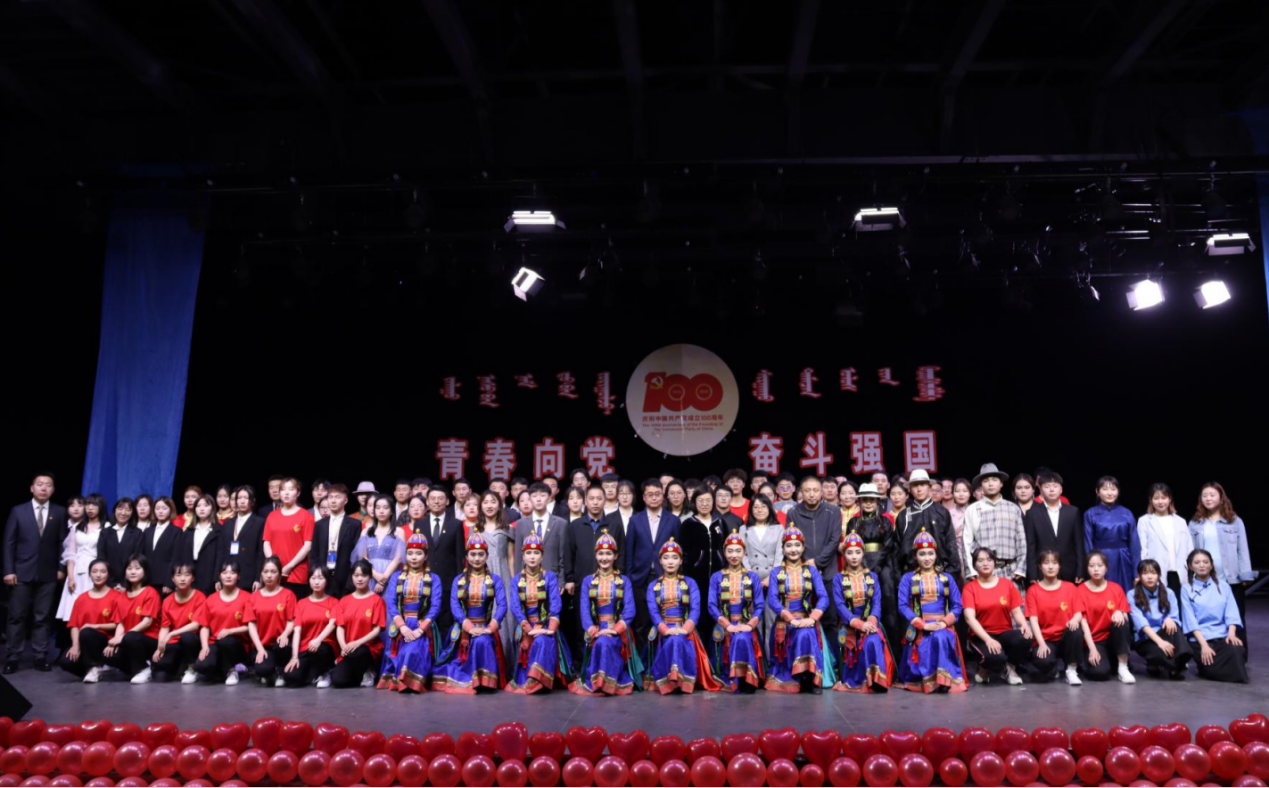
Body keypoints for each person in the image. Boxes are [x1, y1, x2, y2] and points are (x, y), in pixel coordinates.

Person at [433, 531, 507, 693]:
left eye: (481, 554)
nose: (477, 558)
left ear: (487, 556)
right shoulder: (458, 580)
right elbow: (455, 606)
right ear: (467, 556)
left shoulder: (495, 580)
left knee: (483, 641)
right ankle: (470, 679)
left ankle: (485, 681)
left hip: (486, 627)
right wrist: (469, 627)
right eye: (473, 554)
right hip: (463, 630)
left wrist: (491, 627)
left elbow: (502, 605)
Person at [644, 538, 720, 694]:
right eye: (666, 558)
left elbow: (695, 609)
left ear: (680, 561)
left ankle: (681, 681)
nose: (670, 561)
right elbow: (653, 612)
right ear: (660, 561)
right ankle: (670, 681)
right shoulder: (653, 586)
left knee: (678, 639)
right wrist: (665, 629)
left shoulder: (690, 583)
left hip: (685, 629)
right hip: (663, 629)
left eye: (675, 557)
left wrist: (685, 628)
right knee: (673, 639)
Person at [896, 529, 968, 693]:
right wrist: (922, 625)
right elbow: (903, 606)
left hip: (942, 625)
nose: (927, 558)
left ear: (936, 555)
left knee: (940, 636)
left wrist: (944, 622)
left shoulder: (947, 578)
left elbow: (957, 605)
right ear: (915, 556)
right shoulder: (908, 578)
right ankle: (934, 681)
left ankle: (943, 680)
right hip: (920, 627)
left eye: (930, 553)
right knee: (934, 637)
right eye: (922, 554)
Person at [570, 531, 642, 695]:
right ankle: (601, 682)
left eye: (608, 554)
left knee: (605, 642)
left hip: (617, 630)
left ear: (615, 556)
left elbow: (630, 610)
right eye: (601, 553)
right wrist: (593, 630)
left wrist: (614, 630)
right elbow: (584, 611)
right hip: (596, 630)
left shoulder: (624, 581)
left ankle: (606, 682)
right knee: (602, 641)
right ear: (596, 556)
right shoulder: (588, 581)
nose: (604, 558)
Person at [765, 526, 834, 694]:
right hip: (785, 622)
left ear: (803, 548)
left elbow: (823, 597)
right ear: (783, 549)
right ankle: (800, 677)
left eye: (797, 545)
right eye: (789, 545)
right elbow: (773, 599)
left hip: (806, 619)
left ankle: (809, 678)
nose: (793, 549)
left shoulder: (811, 571)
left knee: (806, 632)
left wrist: (812, 618)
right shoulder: (776, 572)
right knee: (803, 633)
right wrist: (791, 619)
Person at [562, 485, 624, 663]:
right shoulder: (575, 525)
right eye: (591, 499)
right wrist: (569, 579)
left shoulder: (614, 524)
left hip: (610, 584)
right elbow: (568, 554)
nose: (595, 502)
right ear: (585, 502)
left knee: (608, 624)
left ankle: (608, 662)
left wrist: (620, 577)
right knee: (581, 625)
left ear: (605, 501)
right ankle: (582, 665)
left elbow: (622, 553)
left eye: (599, 498)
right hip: (582, 584)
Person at [1188, 482, 1254, 646]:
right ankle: (1213, 652)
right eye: (1204, 496)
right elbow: (1190, 552)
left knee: (1236, 618)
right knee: (1210, 617)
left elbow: (1242, 549)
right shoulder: (1195, 523)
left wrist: (1246, 574)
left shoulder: (1234, 521)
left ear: (1221, 498)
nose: (1208, 498)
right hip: (1205, 579)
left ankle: (1239, 654)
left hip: (1231, 578)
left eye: (1212, 495)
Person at [507, 533, 573, 694]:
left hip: (545, 626)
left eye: (536, 553)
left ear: (542, 556)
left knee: (543, 640)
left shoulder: (550, 577)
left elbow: (555, 604)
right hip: (526, 627)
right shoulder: (516, 580)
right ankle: (533, 679)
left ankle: (537, 679)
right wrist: (528, 628)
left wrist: (549, 628)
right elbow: (515, 607)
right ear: (523, 556)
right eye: (528, 553)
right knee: (534, 639)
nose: (532, 557)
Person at [377, 532, 443, 693]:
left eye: (418, 553)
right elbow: (391, 603)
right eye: (410, 553)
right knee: (405, 650)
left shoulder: (434, 579)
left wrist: (420, 629)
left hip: (422, 626)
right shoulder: (396, 577)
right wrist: (402, 627)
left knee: (412, 651)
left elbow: (435, 606)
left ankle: (410, 682)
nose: (414, 557)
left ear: (426, 556)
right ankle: (403, 681)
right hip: (402, 626)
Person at [831, 531, 894, 693]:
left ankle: (876, 680)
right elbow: (840, 606)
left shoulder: (872, 577)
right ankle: (858, 680)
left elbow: (876, 603)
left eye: (857, 552)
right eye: (849, 552)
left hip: (870, 624)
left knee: (873, 640)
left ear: (863, 553)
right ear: (844, 554)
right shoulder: (838, 579)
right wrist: (859, 624)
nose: (854, 557)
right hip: (850, 625)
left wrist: (871, 622)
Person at [962, 547, 1033, 686]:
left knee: (1026, 637)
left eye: (989, 560)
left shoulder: (1007, 584)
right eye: (980, 560)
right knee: (995, 658)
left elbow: (1016, 611)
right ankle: (983, 668)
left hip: (1004, 633)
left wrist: (1024, 625)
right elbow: (969, 618)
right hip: (981, 636)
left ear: (994, 563)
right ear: (974, 565)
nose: (985, 563)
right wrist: (988, 639)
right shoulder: (970, 588)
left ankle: (1010, 667)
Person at [708, 530, 765, 693]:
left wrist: (750, 625)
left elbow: (760, 605)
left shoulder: (752, 577)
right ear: (724, 552)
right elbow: (711, 605)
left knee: (743, 637)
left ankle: (746, 679)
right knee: (737, 637)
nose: (734, 555)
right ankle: (734, 679)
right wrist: (727, 625)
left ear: (744, 552)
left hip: (745, 624)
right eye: (730, 551)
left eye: (738, 551)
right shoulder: (716, 577)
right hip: (724, 625)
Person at [844, 484, 900, 646]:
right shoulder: (853, 522)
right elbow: (850, 548)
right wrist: (864, 565)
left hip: (883, 564)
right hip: (859, 564)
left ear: (877, 502)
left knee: (887, 600)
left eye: (872, 500)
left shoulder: (885, 521)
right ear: (860, 502)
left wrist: (875, 566)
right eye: (865, 500)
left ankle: (891, 647)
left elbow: (888, 546)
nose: (868, 503)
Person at [1181, 548, 1248, 683]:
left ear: (1211, 565)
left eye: (1205, 562)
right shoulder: (1186, 588)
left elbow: (1231, 612)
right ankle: (1206, 668)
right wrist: (1204, 645)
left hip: (1222, 635)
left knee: (1236, 650)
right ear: (1190, 566)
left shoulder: (1223, 586)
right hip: (1200, 638)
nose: (1202, 565)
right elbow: (1190, 620)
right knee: (1212, 666)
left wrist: (1231, 634)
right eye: (1197, 562)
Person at [1025, 549, 1086, 685]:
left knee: (1076, 631)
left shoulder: (1070, 587)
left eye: (1054, 563)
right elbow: (1033, 620)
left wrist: (1074, 620)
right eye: (1046, 563)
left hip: (1065, 638)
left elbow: (1079, 612)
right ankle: (1052, 669)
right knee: (1043, 661)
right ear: (1040, 566)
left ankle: (1071, 670)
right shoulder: (1033, 591)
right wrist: (1041, 643)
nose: (1050, 567)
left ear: (1059, 566)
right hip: (1046, 639)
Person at [57, 559, 123, 683]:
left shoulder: (116, 596)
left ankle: (94, 667)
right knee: (66, 661)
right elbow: (74, 625)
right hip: (85, 641)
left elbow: (118, 624)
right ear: (90, 574)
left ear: (108, 574)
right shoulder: (81, 599)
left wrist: (95, 626)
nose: (98, 575)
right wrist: (75, 645)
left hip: (107, 642)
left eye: (102, 571)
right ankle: (94, 670)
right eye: (94, 571)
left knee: (87, 632)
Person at [963, 464, 1027, 584]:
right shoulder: (973, 509)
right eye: (986, 481)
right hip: (983, 571)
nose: (990, 484)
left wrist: (1021, 568)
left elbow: (1021, 541)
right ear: (981, 485)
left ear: (1001, 483)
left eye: (994, 480)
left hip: (1010, 571)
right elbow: (966, 542)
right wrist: (970, 570)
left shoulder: (1013, 508)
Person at [1077, 551, 1135, 683]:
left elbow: (1125, 618)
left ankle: (1123, 667)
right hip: (1094, 641)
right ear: (1087, 568)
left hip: (1113, 639)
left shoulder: (1116, 588)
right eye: (1092, 566)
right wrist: (1092, 649)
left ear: (1106, 568)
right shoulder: (1080, 590)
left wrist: (1120, 612)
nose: (1096, 569)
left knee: (1122, 622)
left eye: (1100, 565)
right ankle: (1109, 662)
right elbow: (1083, 623)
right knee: (1100, 673)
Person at [194, 562, 255, 685]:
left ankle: (233, 670)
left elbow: (251, 627)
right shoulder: (211, 599)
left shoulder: (247, 597)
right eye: (224, 573)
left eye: (232, 573)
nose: (228, 576)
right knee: (202, 666)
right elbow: (205, 626)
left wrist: (230, 631)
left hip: (237, 645)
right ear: (219, 576)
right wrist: (205, 646)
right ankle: (222, 669)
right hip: (215, 641)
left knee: (226, 641)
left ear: (238, 576)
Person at [1131, 558, 1193, 680]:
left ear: (1159, 575)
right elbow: (1141, 624)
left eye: (1153, 573)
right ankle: (1168, 665)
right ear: (1139, 576)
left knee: (1175, 629)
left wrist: (1170, 618)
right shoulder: (1132, 594)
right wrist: (1160, 642)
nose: (1150, 577)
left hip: (1166, 633)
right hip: (1146, 638)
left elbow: (1175, 615)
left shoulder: (1169, 592)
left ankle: (1174, 666)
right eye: (1145, 573)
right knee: (1159, 655)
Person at [895, 470, 962, 581]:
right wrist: (899, 578)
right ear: (910, 489)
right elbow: (897, 549)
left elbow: (951, 544)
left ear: (930, 487)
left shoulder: (942, 512)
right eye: (915, 485)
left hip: (940, 573)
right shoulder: (903, 515)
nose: (919, 489)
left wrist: (952, 573)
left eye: (923, 484)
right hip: (910, 574)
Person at [330, 559, 387, 687]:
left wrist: (357, 643)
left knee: (359, 653)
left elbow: (377, 630)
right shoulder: (344, 601)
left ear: (370, 577)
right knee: (339, 681)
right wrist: (343, 646)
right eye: (356, 575)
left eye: (364, 575)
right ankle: (360, 674)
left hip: (367, 647)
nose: (359, 579)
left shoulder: (377, 601)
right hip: (349, 649)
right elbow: (340, 627)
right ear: (352, 577)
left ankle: (369, 669)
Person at [282, 565, 339, 688]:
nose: (316, 582)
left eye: (320, 578)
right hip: (306, 648)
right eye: (313, 578)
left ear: (327, 581)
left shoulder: (334, 602)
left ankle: (325, 672)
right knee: (291, 678)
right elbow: (297, 631)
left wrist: (318, 640)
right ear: (309, 580)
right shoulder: (301, 603)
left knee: (320, 650)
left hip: (324, 647)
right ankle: (311, 673)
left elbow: (332, 624)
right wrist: (294, 657)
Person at [151, 564, 208, 684]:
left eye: (187, 575)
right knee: (159, 674)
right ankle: (179, 668)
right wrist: (160, 647)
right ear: (173, 579)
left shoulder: (200, 597)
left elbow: (195, 625)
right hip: (175, 642)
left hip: (193, 640)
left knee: (187, 637)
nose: (182, 579)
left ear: (192, 578)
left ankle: (192, 668)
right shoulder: (167, 601)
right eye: (178, 575)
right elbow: (165, 627)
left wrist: (172, 634)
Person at [1024, 471, 1084, 584]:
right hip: (1043, 569)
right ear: (1041, 490)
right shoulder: (1032, 513)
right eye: (1047, 486)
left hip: (1069, 569)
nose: (1051, 490)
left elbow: (1079, 544)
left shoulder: (1073, 512)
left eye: (1055, 486)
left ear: (1061, 489)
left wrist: (1080, 570)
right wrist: (1032, 574)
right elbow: (1031, 546)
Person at [109, 556, 162, 683]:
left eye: (137, 568)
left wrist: (123, 637)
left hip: (149, 639)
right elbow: (120, 624)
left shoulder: (150, 592)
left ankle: (143, 669)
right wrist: (115, 641)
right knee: (108, 654)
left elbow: (147, 622)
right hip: (129, 639)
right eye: (129, 568)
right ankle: (137, 668)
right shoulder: (121, 596)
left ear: (145, 571)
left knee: (131, 637)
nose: (133, 572)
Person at [420, 486, 466, 633]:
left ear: (447, 501)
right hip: (425, 580)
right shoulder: (420, 524)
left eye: (440, 499)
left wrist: (459, 582)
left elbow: (459, 556)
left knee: (446, 621)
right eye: (433, 499)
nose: (436, 502)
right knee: (425, 620)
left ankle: (446, 648)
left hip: (448, 581)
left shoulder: (456, 524)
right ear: (427, 502)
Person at [679, 488, 724, 636]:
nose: (705, 504)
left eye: (708, 500)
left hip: (718, 578)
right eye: (701, 501)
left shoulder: (720, 522)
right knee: (698, 615)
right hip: (696, 578)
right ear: (694, 502)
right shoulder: (687, 524)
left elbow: (726, 549)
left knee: (717, 614)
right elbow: (683, 554)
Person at [477, 490, 516, 660]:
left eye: (493, 502)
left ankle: (505, 660)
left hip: (502, 572)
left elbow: (510, 558)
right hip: (481, 575)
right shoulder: (475, 529)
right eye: (485, 502)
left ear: (499, 505)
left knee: (505, 613)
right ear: (481, 506)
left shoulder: (508, 529)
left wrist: (514, 582)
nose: (489, 506)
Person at [1083, 476, 1140, 592]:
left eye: (1113, 489)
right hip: (1100, 559)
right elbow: (1088, 543)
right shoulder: (1090, 514)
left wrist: (1136, 571)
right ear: (1097, 491)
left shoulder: (1127, 513)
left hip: (1124, 558)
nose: (1110, 493)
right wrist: (1091, 566)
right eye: (1105, 489)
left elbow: (1134, 544)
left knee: (1124, 591)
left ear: (1118, 491)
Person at [247, 556, 297, 687]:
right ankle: (270, 672)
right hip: (262, 645)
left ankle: (279, 670)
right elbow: (251, 624)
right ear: (261, 574)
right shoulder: (253, 597)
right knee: (263, 669)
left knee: (282, 647)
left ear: (279, 574)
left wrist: (285, 634)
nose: (269, 575)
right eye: (266, 572)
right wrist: (259, 648)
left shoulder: (288, 595)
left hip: (281, 644)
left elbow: (291, 620)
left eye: (273, 572)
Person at [55, 493, 105, 625]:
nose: (90, 508)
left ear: (100, 507)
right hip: (77, 571)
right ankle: (75, 637)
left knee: (93, 608)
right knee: (74, 608)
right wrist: (71, 578)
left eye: (94, 505)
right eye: (88, 504)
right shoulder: (77, 527)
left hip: (96, 570)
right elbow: (70, 555)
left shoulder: (106, 527)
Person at [1138, 484, 1194, 600]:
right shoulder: (1144, 521)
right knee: (1160, 604)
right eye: (1156, 498)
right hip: (1156, 572)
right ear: (1151, 500)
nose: (1160, 502)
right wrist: (1145, 572)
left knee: (1179, 603)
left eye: (1163, 498)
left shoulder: (1180, 521)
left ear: (1170, 499)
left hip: (1178, 571)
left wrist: (1191, 568)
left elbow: (1189, 547)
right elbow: (1143, 549)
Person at [263, 478, 315, 599]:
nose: (286, 493)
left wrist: (288, 567)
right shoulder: (272, 516)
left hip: (296, 574)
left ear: (298, 493)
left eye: (291, 489)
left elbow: (308, 545)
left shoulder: (306, 516)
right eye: (283, 489)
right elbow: (266, 542)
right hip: (274, 574)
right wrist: (273, 566)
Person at [309, 484, 361, 598]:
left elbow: (356, 555)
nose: (333, 501)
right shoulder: (319, 525)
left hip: (345, 579)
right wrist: (316, 576)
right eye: (330, 497)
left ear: (345, 500)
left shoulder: (355, 524)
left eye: (337, 497)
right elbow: (314, 553)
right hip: (323, 578)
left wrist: (351, 582)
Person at [351, 495, 405, 597]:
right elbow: (362, 557)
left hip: (391, 575)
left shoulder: (398, 531)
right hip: (369, 574)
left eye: (385, 508)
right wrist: (375, 575)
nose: (381, 511)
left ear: (392, 511)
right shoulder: (365, 532)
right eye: (378, 507)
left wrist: (383, 579)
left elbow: (398, 558)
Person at [512, 483, 567, 579]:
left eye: (542, 495)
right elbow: (518, 557)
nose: (538, 499)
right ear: (530, 499)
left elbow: (563, 556)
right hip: (527, 578)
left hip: (553, 577)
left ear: (549, 498)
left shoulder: (560, 523)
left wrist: (561, 581)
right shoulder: (521, 524)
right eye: (534, 496)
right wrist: (518, 579)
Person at [177, 494, 222, 596]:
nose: (201, 509)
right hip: (190, 574)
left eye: (206, 505)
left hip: (208, 575)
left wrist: (217, 578)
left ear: (212, 508)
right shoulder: (188, 531)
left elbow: (220, 556)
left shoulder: (218, 531)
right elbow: (181, 555)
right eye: (198, 506)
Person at [142, 497, 182, 598]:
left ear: (171, 510)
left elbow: (175, 558)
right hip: (145, 580)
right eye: (157, 508)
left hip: (163, 582)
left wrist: (169, 582)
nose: (160, 511)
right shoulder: (147, 531)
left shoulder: (176, 532)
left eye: (164, 508)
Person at [98, 497, 140, 589]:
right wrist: (111, 583)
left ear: (132, 513)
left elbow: (137, 558)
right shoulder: (105, 532)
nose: (123, 513)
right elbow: (101, 557)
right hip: (107, 583)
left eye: (127, 510)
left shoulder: (137, 533)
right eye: (120, 509)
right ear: (115, 510)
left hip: (129, 583)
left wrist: (125, 584)